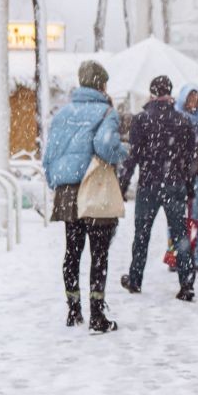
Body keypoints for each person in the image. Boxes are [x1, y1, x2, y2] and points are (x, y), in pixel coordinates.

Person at [44, 60, 125, 332]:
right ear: (102, 84)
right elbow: (105, 145)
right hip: (95, 187)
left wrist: (57, 180)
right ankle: (97, 314)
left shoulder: (63, 113)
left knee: (72, 250)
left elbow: (50, 156)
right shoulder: (106, 113)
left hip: (67, 190)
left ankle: (73, 309)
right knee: (99, 253)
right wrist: (121, 152)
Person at [118, 75, 198, 303]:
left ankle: (135, 278)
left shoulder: (142, 119)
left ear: (152, 93)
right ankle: (186, 283)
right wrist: (189, 186)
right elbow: (189, 159)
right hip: (175, 184)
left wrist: (123, 184)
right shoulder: (183, 121)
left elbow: (133, 156)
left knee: (142, 234)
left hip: (149, 185)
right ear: (170, 92)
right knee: (180, 235)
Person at [174, 84, 198, 269]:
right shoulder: (176, 118)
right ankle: (176, 257)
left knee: (197, 217)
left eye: (196, 98)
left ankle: (195, 258)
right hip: (180, 173)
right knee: (177, 218)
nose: (193, 102)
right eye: (189, 98)